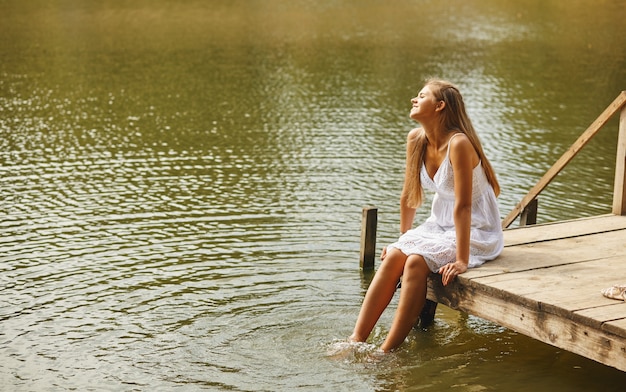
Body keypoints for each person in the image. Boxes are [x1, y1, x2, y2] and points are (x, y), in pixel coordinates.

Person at [348, 79, 504, 352]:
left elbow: (464, 207)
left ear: (440, 106)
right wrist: (403, 240)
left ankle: (387, 351)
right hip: (439, 222)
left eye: (422, 96)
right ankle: (354, 340)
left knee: (417, 262)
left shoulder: (459, 144)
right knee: (397, 255)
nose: (414, 100)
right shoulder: (415, 139)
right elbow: (409, 196)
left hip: (477, 227)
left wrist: (462, 260)